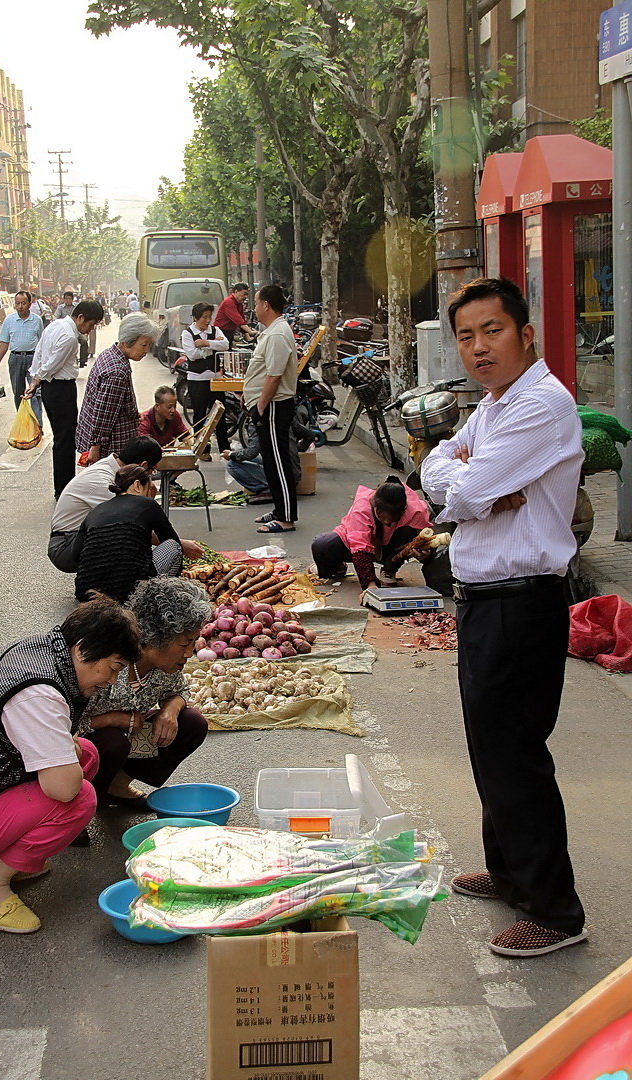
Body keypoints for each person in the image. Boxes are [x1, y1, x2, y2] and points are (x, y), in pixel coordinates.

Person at [420, 276, 587, 959]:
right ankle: (512, 870)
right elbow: (437, 470)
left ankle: (553, 910)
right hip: (487, 600)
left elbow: (466, 491)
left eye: (492, 330)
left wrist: (474, 487)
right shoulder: (493, 407)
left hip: (522, 602)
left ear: (525, 333)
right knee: (490, 747)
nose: (478, 346)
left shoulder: (540, 405)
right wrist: (475, 485)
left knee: (516, 754)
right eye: (466, 335)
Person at [0, 596, 141, 934]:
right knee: (78, 800)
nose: (111, 680)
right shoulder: (39, 692)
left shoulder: (45, 650)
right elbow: (63, 789)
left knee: (87, 754)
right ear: (83, 649)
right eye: (114, 667)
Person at [80, 577, 211, 807]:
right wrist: (113, 719)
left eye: (194, 642)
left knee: (193, 723)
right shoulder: (108, 664)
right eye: (184, 644)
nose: (190, 653)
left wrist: (169, 710)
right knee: (112, 742)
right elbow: (67, 725)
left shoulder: (166, 669)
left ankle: (116, 787)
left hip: (127, 737)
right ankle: (84, 802)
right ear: (155, 639)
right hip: (81, 747)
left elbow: (181, 690)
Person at [310, 477, 450, 597]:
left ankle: (389, 569)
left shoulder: (416, 511)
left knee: (409, 533)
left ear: (404, 510)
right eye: (384, 519)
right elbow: (360, 548)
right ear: (376, 508)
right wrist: (370, 585)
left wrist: (424, 554)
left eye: (393, 520)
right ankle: (336, 567)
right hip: (355, 546)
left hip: (392, 548)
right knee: (322, 545)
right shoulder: (362, 508)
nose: (388, 523)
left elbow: (424, 542)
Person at [48, 435, 163, 572]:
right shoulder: (103, 481)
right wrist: (178, 545)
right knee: (127, 534)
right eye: (152, 470)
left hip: (74, 540)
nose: (151, 475)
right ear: (143, 466)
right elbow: (135, 522)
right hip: (65, 546)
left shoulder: (114, 469)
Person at [72, 463, 183, 604]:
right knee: (174, 547)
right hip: (132, 592)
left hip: (87, 593)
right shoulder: (148, 504)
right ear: (137, 485)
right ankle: (160, 602)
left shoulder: (96, 511)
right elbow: (171, 540)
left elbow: (75, 555)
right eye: (148, 489)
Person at [26, 299, 104, 499]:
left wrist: (36, 379)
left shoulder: (54, 325)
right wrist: (37, 379)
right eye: (91, 324)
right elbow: (51, 364)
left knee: (62, 439)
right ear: (80, 318)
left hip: (51, 389)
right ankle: (64, 488)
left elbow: (39, 354)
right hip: (61, 389)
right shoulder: (69, 336)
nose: (90, 329)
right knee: (65, 440)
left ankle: (63, 486)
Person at [243, 284, 298, 534]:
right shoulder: (272, 331)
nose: (254, 308)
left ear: (266, 305)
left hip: (274, 406)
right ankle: (279, 508)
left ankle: (286, 517)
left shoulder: (277, 334)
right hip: (268, 406)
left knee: (278, 461)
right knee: (270, 462)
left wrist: (260, 406)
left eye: (256, 303)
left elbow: (274, 376)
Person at [76, 313, 158, 464]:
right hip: (111, 447)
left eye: (149, 345)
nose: (146, 350)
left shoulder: (110, 354)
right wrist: (96, 447)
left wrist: (132, 414)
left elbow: (114, 403)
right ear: (127, 342)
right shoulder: (117, 372)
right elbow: (104, 414)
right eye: (144, 345)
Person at [222, 417, 316, 504]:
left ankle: (268, 489)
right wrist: (297, 450)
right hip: (293, 476)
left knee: (232, 465)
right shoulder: (285, 416)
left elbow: (251, 452)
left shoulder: (257, 421)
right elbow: (310, 435)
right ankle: (273, 488)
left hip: (282, 477)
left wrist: (231, 455)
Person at [181, 301, 230, 460]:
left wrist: (205, 343)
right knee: (200, 415)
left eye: (209, 317)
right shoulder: (187, 333)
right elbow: (192, 354)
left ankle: (225, 449)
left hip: (216, 380)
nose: (208, 320)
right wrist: (213, 348)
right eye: (204, 317)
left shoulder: (214, 330)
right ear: (195, 318)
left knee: (220, 415)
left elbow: (225, 344)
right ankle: (202, 450)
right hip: (197, 379)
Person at [0, 291, 44, 427]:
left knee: (35, 392)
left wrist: (42, 362)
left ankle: (37, 425)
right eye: (17, 303)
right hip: (15, 358)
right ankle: (23, 424)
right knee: (18, 392)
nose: (20, 306)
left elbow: (42, 344)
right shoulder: (9, 320)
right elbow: (4, 344)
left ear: (29, 304)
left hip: (33, 359)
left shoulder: (37, 320)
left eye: (23, 303)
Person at [214, 282, 255, 350]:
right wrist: (250, 332)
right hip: (221, 332)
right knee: (223, 353)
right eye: (244, 294)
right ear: (236, 291)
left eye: (247, 295)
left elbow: (242, 320)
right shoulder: (228, 302)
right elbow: (238, 320)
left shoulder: (239, 304)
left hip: (230, 332)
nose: (245, 297)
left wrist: (248, 337)